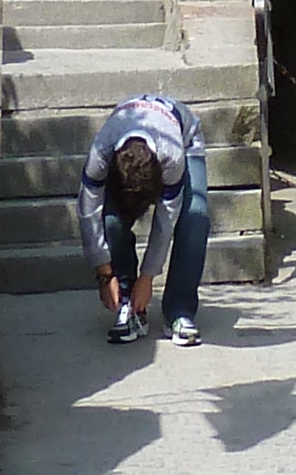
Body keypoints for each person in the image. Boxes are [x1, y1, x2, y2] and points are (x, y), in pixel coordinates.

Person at [77, 92, 210, 345]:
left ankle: (180, 311)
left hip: (184, 137)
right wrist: (104, 274)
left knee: (196, 216)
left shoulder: (172, 157)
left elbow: (165, 221)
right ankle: (128, 303)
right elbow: (87, 210)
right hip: (126, 129)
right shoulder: (101, 153)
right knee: (112, 219)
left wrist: (147, 277)